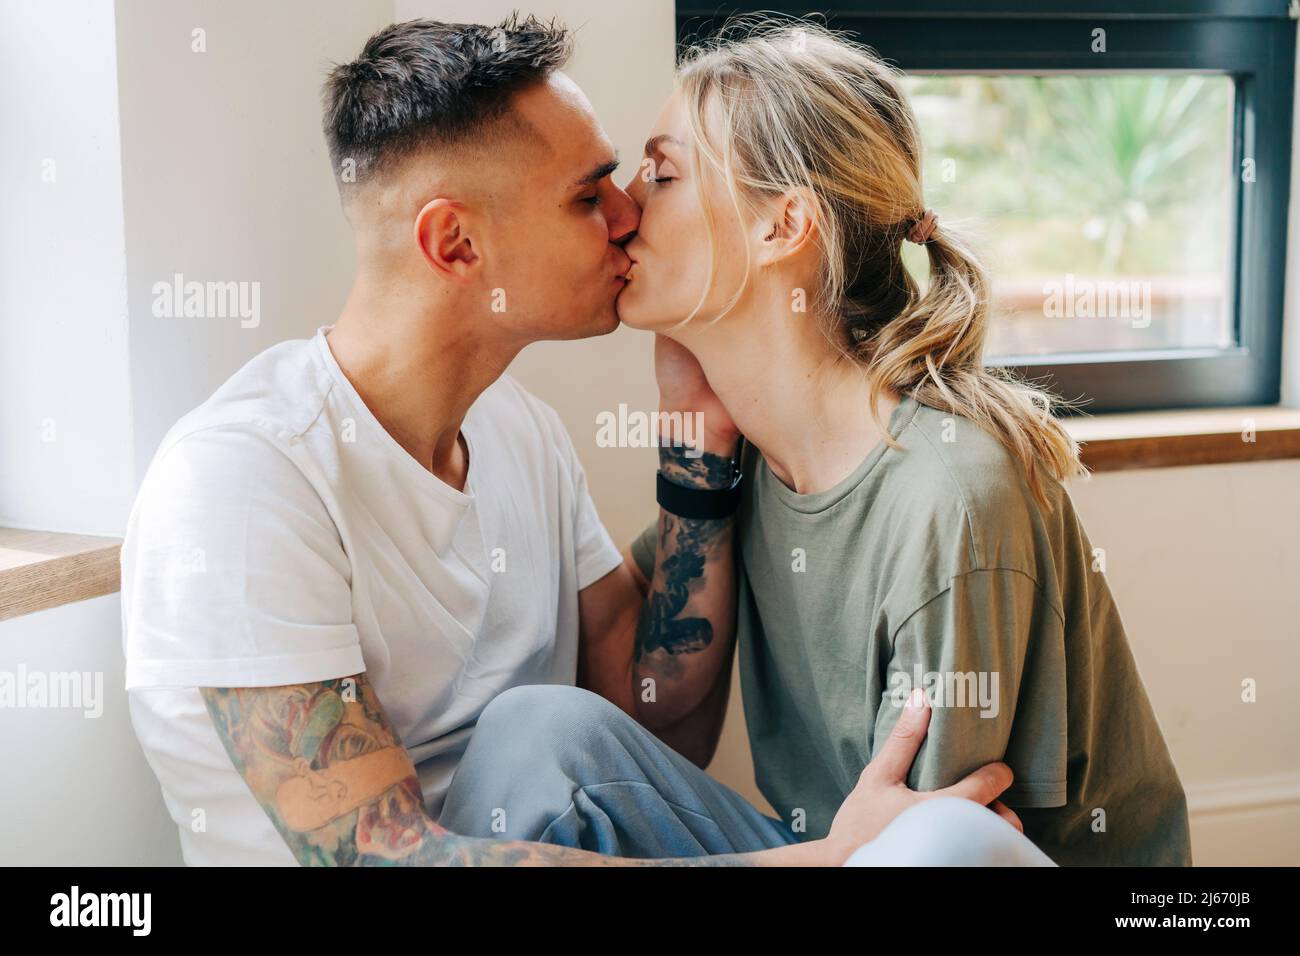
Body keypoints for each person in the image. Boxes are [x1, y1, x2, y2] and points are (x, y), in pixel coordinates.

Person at [120, 15, 1041, 867]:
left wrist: (700, 450)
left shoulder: (516, 430)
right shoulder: (244, 481)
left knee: (543, 729)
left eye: (634, 177)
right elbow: (386, 863)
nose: (628, 214)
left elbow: (651, 718)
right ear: (455, 245)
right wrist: (820, 862)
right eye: (585, 195)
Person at [614, 16, 1192, 866]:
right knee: (546, 732)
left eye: (662, 175)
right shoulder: (753, 450)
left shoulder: (947, 496)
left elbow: (934, 842)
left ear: (783, 227)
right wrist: (694, 450)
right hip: (832, 850)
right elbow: (662, 707)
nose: (623, 206)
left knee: (933, 849)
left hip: (964, 860)